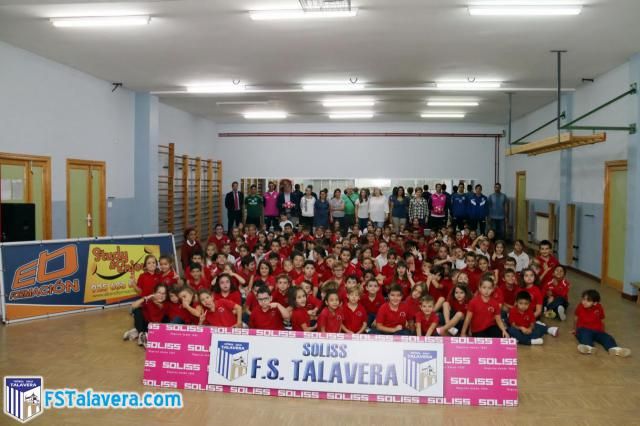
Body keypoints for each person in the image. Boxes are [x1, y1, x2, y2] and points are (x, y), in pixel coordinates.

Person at [574, 289, 631, 357]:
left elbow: (601, 319)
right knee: (585, 336)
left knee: (607, 338)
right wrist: (575, 329)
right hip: (584, 329)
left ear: (595, 303)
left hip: (597, 330)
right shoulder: (580, 306)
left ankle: (615, 349)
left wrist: (602, 330)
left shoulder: (599, 307)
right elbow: (576, 318)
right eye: (583, 299)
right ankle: (588, 348)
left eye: (588, 301)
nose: (584, 302)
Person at [124, 283, 168, 347]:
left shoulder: (167, 304)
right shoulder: (148, 301)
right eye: (159, 292)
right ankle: (141, 334)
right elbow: (132, 307)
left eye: (164, 293)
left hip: (156, 328)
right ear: (154, 293)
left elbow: (163, 309)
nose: (161, 295)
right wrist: (146, 298)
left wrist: (158, 304)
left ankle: (137, 332)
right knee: (137, 310)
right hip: (146, 325)